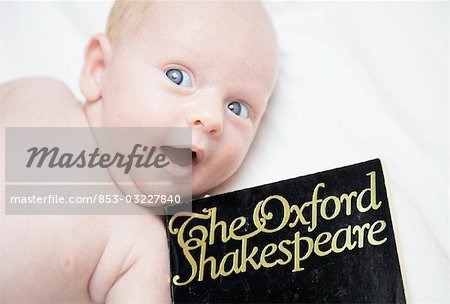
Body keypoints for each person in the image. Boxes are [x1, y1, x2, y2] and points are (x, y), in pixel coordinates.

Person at [0, 0, 278, 303]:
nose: (212, 118)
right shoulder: (40, 95)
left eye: (237, 108)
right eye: (178, 77)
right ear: (99, 69)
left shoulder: (142, 252)